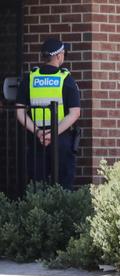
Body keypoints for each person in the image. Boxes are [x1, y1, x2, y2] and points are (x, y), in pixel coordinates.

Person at [15, 38, 80, 190]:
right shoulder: (66, 79)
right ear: (58, 56)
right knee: (64, 187)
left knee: (37, 187)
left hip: (37, 139)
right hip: (61, 138)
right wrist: (53, 133)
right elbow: (75, 113)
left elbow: (19, 111)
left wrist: (39, 132)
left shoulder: (30, 78)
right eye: (63, 53)